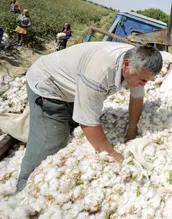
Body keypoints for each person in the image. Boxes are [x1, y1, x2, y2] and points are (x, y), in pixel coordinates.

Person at [17, 42, 163, 190]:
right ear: (126, 65)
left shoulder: (136, 61)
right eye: (143, 80)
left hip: (75, 85)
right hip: (49, 85)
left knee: (73, 122)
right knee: (52, 141)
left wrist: (131, 131)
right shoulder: (100, 72)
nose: (144, 84)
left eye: (148, 81)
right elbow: (87, 122)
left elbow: (137, 99)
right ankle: (24, 185)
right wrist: (113, 154)